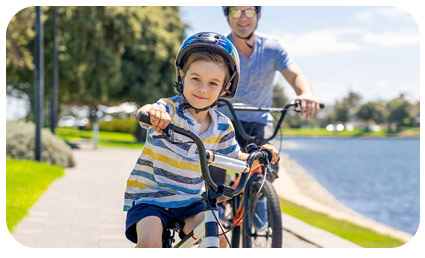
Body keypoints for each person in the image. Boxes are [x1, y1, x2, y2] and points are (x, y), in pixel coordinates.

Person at [123, 32, 280, 248]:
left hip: (190, 201)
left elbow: (237, 158)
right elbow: (149, 110)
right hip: (151, 198)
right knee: (150, 244)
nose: (202, 89)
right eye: (195, 79)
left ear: (225, 87)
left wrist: (260, 156)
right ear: (182, 75)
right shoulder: (169, 109)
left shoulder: (222, 125)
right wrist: (152, 114)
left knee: (220, 242)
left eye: (213, 83)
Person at [211, 6, 322, 231]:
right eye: (236, 12)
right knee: (216, 165)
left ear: (258, 16)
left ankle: (259, 196)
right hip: (224, 119)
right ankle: (217, 209)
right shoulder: (220, 47)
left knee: (266, 161)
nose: (243, 18)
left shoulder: (272, 48)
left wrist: (305, 93)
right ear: (228, 17)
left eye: (249, 12)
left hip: (259, 121)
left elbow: (295, 75)